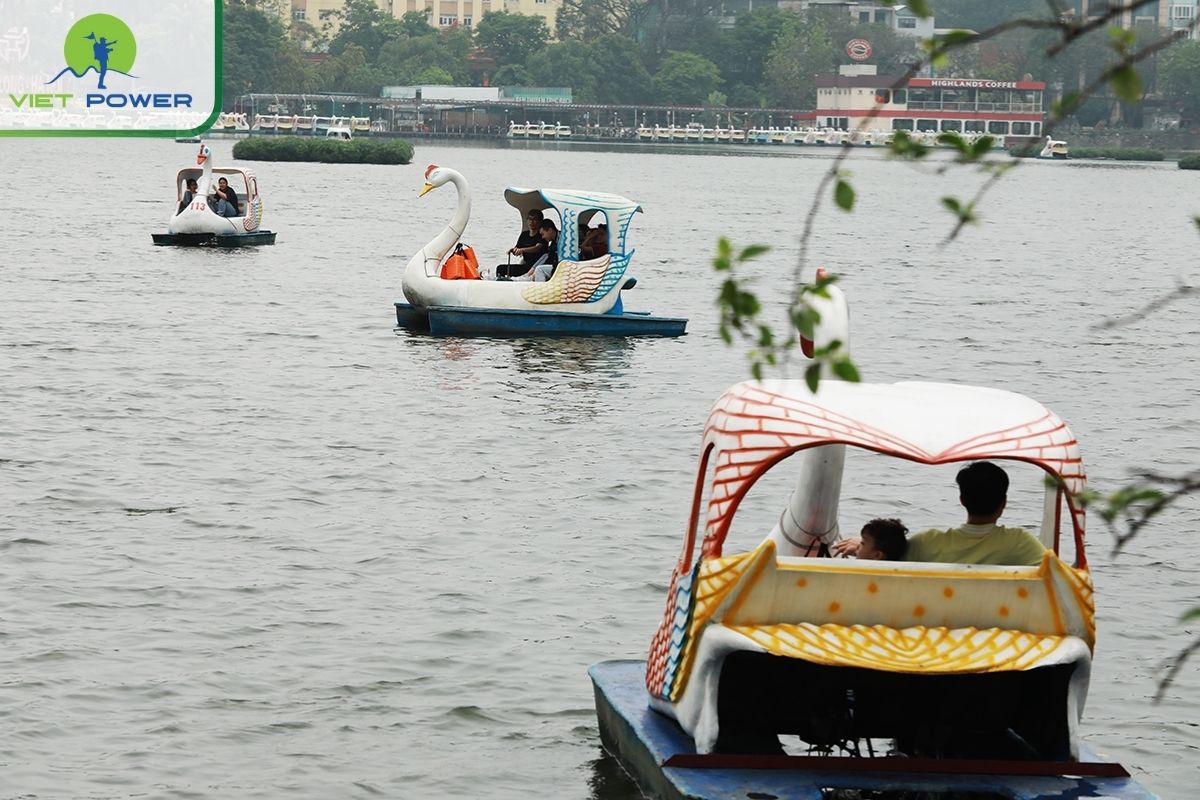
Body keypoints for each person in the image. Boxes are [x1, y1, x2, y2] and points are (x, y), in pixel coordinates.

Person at [831, 462, 1046, 566]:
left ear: (962, 500)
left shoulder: (927, 542)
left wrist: (862, 544)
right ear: (1004, 503)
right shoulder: (1020, 544)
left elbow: (887, 554)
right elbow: (1056, 573)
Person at [496, 209, 545, 279]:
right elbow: (517, 249)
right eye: (530, 219)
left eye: (535, 219)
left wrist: (523, 250)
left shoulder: (542, 235)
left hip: (535, 266)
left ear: (540, 222)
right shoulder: (524, 234)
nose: (531, 222)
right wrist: (513, 250)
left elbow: (537, 248)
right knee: (500, 268)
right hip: (525, 266)